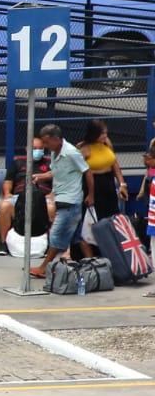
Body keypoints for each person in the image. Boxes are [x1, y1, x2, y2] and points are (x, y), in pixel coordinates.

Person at [31, 124, 88, 280]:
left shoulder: (71, 153)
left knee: (57, 235)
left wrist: (91, 196)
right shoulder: (55, 152)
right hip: (61, 198)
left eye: (46, 142)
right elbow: (55, 172)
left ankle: (43, 268)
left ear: (56, 139)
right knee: (77, 237)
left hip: (71, 201)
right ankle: (91, 264)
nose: (44, 146)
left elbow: (87, 171)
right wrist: (40, 176)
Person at [79, 120, 127, 257]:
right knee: (95, 222)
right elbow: (84, 172)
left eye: (106, 132)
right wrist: (91, 194)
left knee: (112, 218)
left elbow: (115, 164)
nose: (105, 135)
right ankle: (94, 256)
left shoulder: (106, 143)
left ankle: (113, 254)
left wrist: (122, 184)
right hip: (93, 185)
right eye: (102, 133)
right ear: (94, 134)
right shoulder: (84, 149)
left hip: (108, 183)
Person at [0, 136, 54, 248]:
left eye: (40, 148)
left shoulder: (50, 163)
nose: (37, 151)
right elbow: (8, 181)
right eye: (34, 148)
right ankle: (4, 244)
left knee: (51, 208)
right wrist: (7, 193)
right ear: (27, 149)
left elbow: (58, 182)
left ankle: (50, 244)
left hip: (43, 197)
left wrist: (52, 195)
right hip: (20, 197)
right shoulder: (17, 162)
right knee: (4, 206)